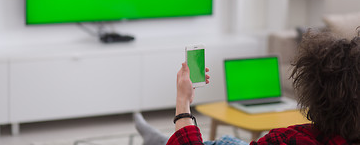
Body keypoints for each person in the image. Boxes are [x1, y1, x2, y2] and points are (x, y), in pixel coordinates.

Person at [135, 30, 360, 145]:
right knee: (227, 141)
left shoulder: (289, 140)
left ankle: (160, 140)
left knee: (222, 142)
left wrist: (182, 103)